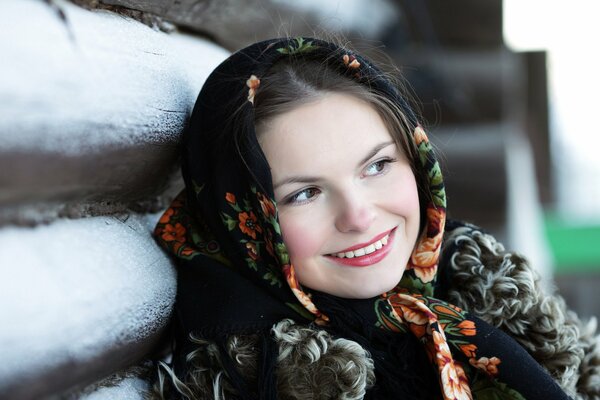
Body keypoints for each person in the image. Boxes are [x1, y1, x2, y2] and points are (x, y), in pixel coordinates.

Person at [153, 37, 599, 399]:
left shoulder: (494, 297)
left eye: (377, 166)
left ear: (417, 161)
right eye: (305, 193)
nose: (359, 216)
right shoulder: (260, 377)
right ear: (245, 222)